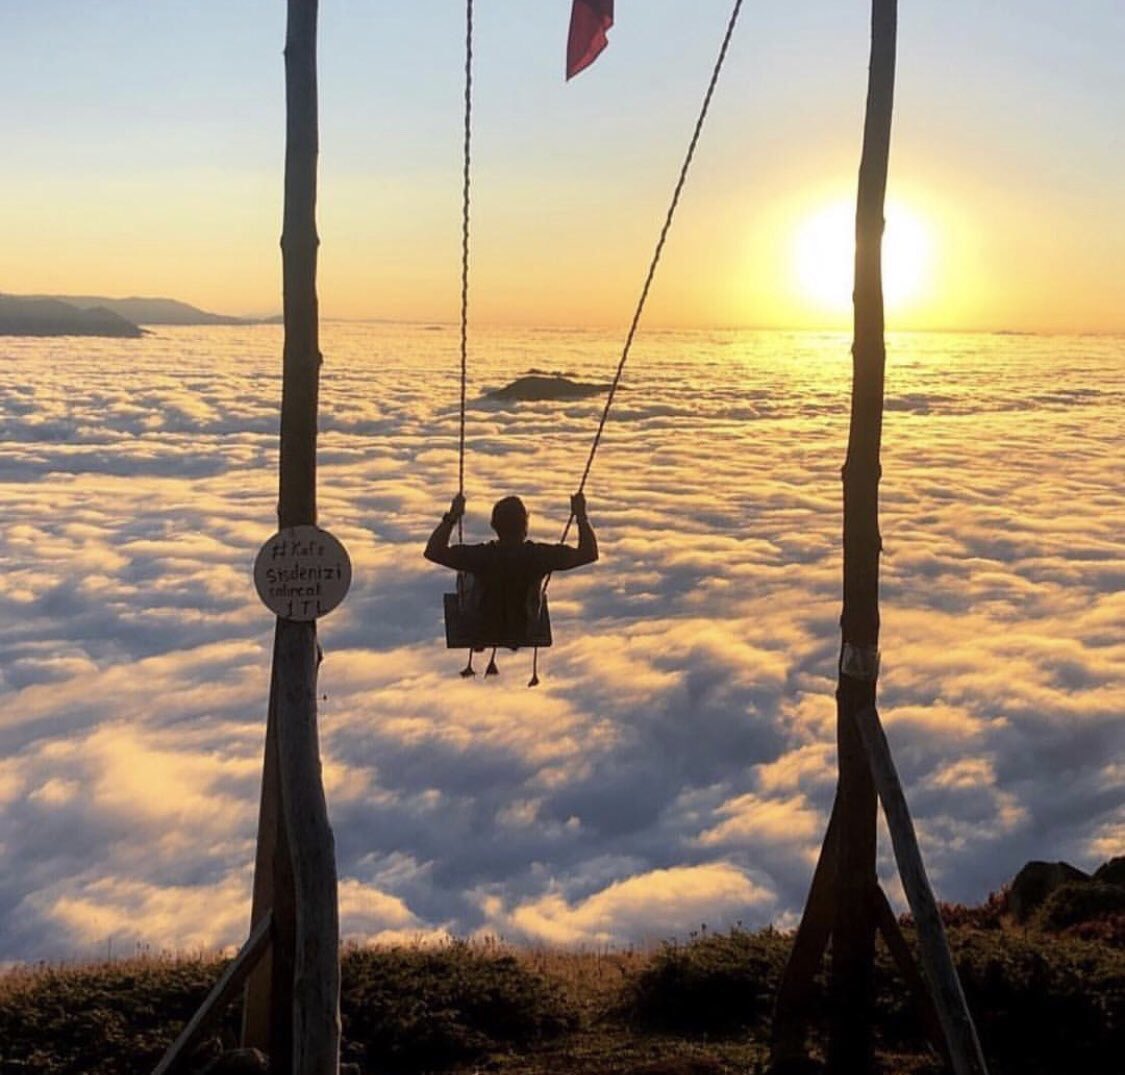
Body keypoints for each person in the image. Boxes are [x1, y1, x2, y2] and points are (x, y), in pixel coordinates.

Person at [424, 492, 598, 650]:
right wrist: (581, 516)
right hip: (522, 629)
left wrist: (452, 517)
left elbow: (434, 552)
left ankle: (480, 624)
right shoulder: (539, 556)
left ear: (494, 525)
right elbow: (588, 553)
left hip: (484, 627)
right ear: (525, 525)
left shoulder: (482, 556)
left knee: (465, 575)